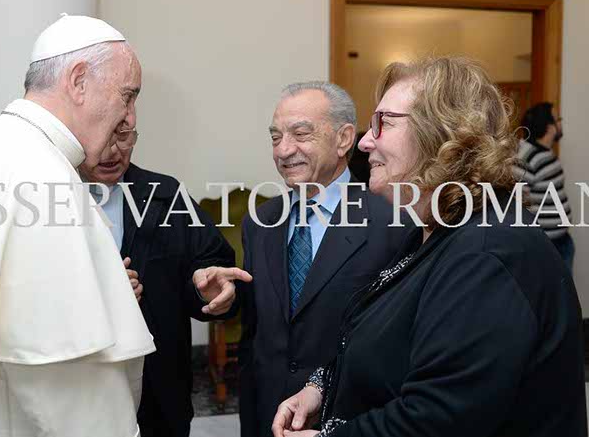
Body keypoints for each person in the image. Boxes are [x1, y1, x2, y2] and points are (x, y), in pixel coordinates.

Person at [271, 57, 586, 437]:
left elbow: (439, 418)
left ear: (440, 134)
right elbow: (386, 345)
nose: (365, 141)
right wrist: (319, 388)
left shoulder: (488, 252)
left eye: (383, 123)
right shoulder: (433, 230)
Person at [0, 15, 156, 437]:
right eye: (127, 96)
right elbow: (63, 378)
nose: (129, 118)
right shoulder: (38, 174)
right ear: (78, 81)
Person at [79, 73, 251, 437]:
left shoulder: (165, 194)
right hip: (79, 390)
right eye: (103, 138)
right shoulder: (46, 200)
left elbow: (211, 264)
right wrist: (99, 293)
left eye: (124, 137)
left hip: (160, 394)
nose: (114, 152)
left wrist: (209, 291)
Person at [239, 81, 409, 437]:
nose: (284, 150)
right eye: (275, 137)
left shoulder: (394, 221)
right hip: (267, 415)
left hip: (350, 417)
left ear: (344, 139)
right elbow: (257, 332)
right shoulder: (260, 222)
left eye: (301, 134)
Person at [515, 102, 574, 273]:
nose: (561, 123)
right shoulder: (525, 158)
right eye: (558, 119)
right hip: (544, 247)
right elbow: (516, 206)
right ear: (549, 127)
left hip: (561, 241)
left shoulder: (545, 152)